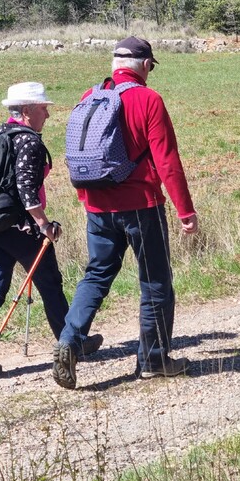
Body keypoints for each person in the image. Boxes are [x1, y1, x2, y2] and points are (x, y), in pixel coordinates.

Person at [53, 36, 199, 389]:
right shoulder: (148, 99)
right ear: (146, 65)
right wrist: (185, 210)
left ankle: (68, 340)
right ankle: (153, 360)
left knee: (96, 275)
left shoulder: (90, 97)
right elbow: (167, 160)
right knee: (155, 282)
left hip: (97, 205)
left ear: (114, 64)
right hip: (141, 206)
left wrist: (86, 199)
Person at [0, 82, 101, 381]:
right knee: (50, 284)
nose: (47, 116)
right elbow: (27, 190)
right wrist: (44, 225)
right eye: (43, 109)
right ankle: (71, 343)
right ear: (26, 111)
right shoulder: (29, 142)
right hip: (22, 229)